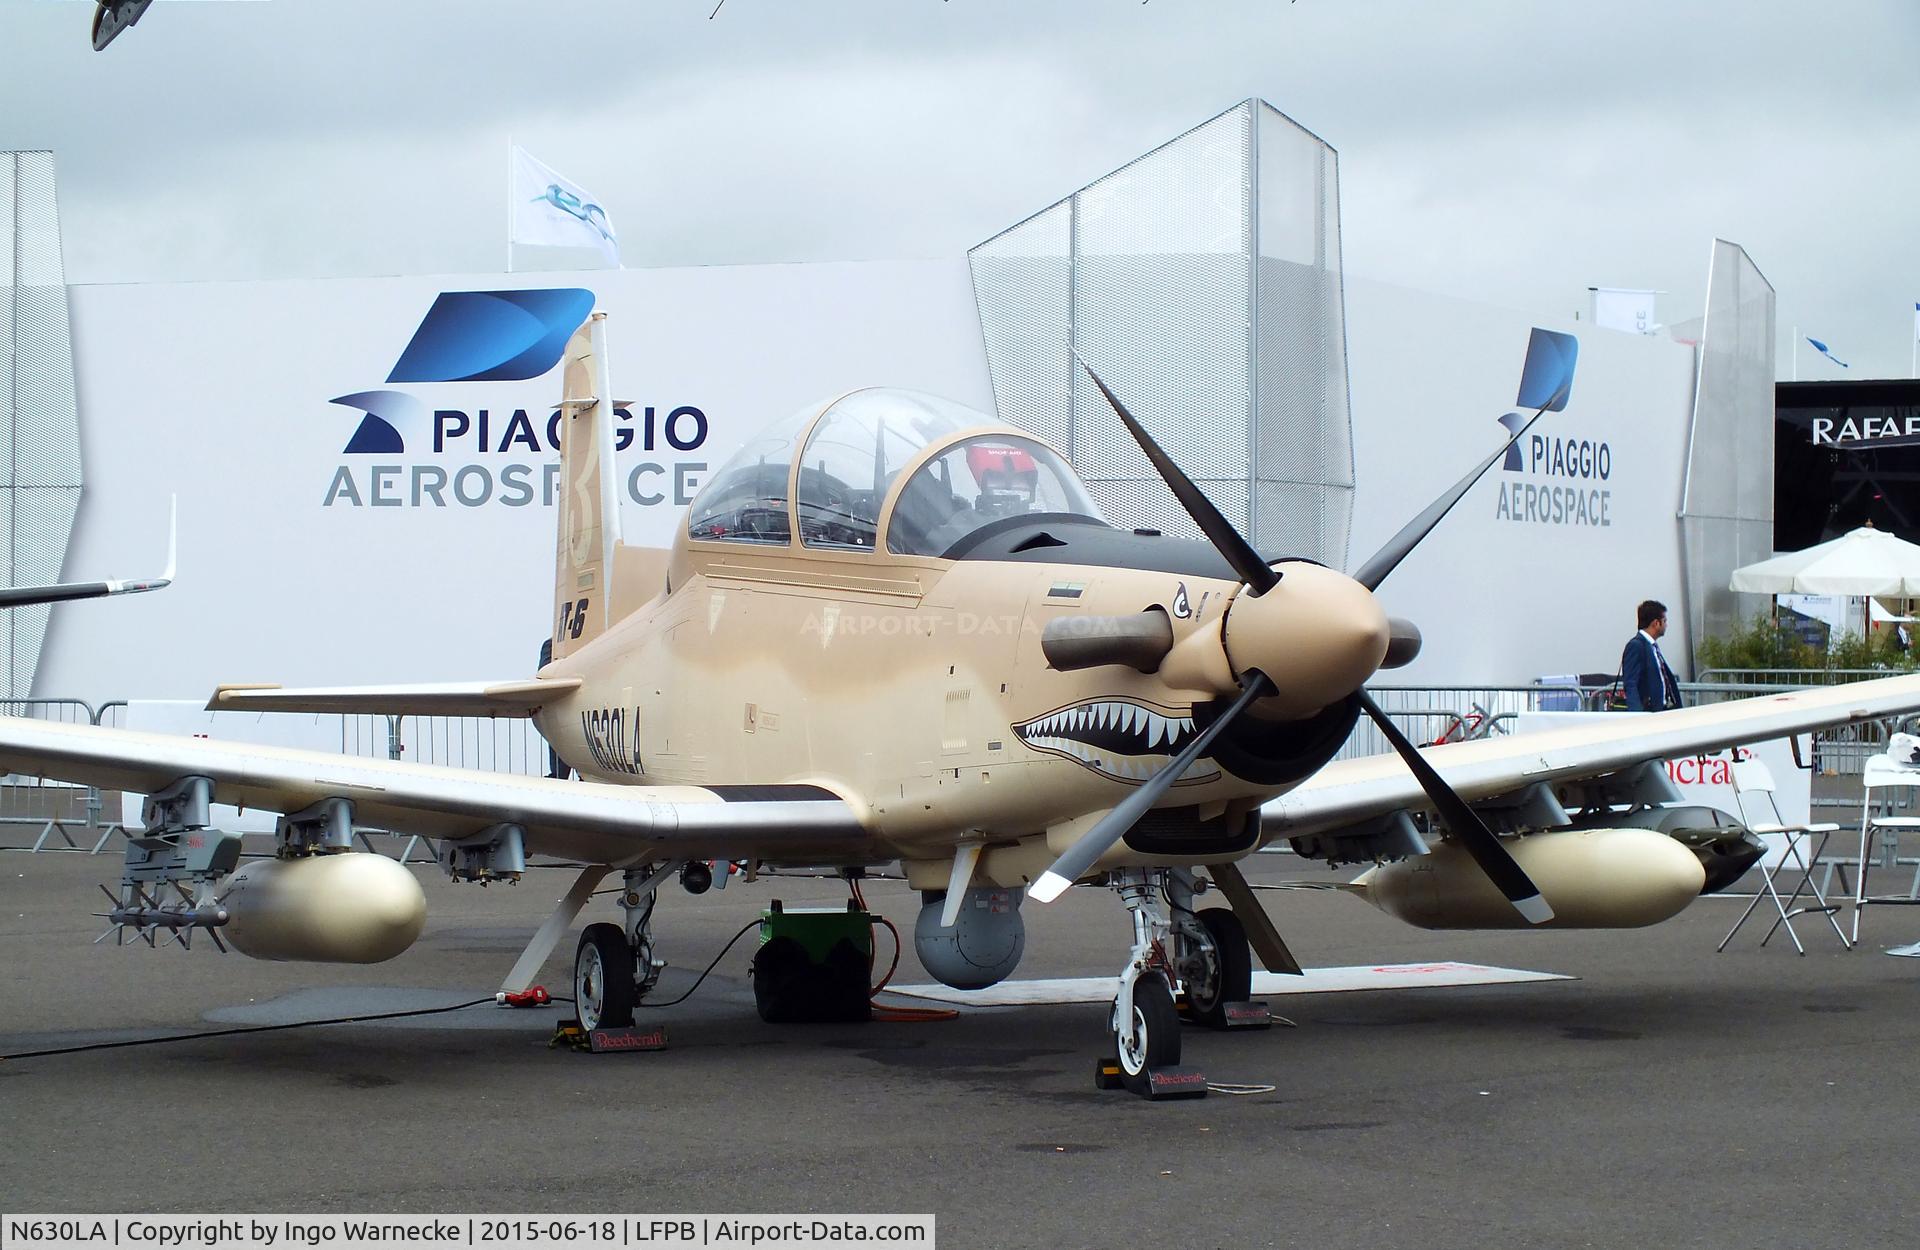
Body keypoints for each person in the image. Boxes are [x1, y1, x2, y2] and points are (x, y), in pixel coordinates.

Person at [1620, 599, 1681, 711]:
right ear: (1656, 623)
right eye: (1664, 621)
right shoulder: (1636, 646)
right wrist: (1637, 715)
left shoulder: (1652, 646)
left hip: (1661, 710)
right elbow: (1630, 683)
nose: (1666, 625)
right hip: (1648, 713)